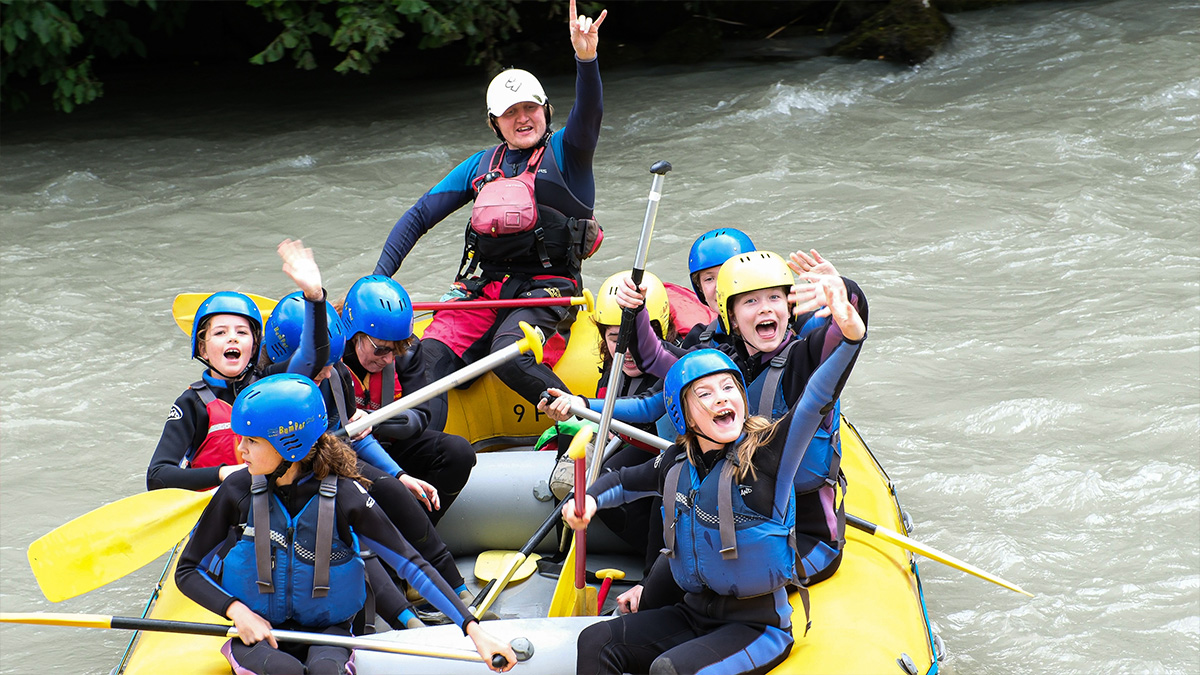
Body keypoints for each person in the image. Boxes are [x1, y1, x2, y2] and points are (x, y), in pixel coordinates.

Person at [567, 277, 866, 675]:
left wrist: (851, 337)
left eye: (729, 388)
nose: (722, 398)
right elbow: (623, 482)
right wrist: (586, 500)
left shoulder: (770, 455)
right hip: (695, 611)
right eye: (705, 394)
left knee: (668, 670)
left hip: (756, 626)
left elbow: (815, 400)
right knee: (596, 640)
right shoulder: (677, 461)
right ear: (684, 416)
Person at [175, 374, 516, 674]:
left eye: (252, 441)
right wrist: (236, 611)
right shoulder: (237, 490)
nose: (241, 450)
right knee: (284, 671)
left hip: (329, 631)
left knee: (326, 671)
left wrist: (475, 630)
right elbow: (187, 570)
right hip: (255, 633)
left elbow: (411, 564)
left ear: (288, 446)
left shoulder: (344, 495)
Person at [372, 0, 607, 428]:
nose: (523, 119)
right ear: (494, 122)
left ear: (545, 110)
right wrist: (378, 279)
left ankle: (587, 426)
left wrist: (585, 59)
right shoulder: (481, 165)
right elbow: (418, 216)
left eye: (530, 109)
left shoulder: (568, 153)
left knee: (508, 355)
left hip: (548, 289)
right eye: (510, 113)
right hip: (486, 288)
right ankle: (422, 442)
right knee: (429, 354)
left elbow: (589, 114)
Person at [260, 293, 488, 628]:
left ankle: (453, 596)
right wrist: (313, 295)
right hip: (295, 479)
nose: (327, 371)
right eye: (320, 365)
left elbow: (359, 433)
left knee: (393, 490)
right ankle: (411, 620)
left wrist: (399, 474)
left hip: (334, 462)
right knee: (369, 507)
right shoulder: (274, 387)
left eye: (331, 363)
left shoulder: (334, 374)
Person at [146, 240, 329, 492]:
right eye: (220, 332)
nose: (232, 337)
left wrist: (314, 297)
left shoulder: (270, 385)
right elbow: (157, 476)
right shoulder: (192, 404)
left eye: (242, 332)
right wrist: (224, 473)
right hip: (216, 513)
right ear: (202, 349)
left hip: (265, 507)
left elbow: (312, 357)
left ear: (254, 347)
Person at [339, 275, 476, 524]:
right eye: (380, 349)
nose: (389, 359)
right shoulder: (331, 357)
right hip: (347, 454)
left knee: (458, 452)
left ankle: (418, 532)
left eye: (397, 348)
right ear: (353, 332)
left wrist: (373, 421)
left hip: (390, 444)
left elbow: (420, 416)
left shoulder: (408, 351)